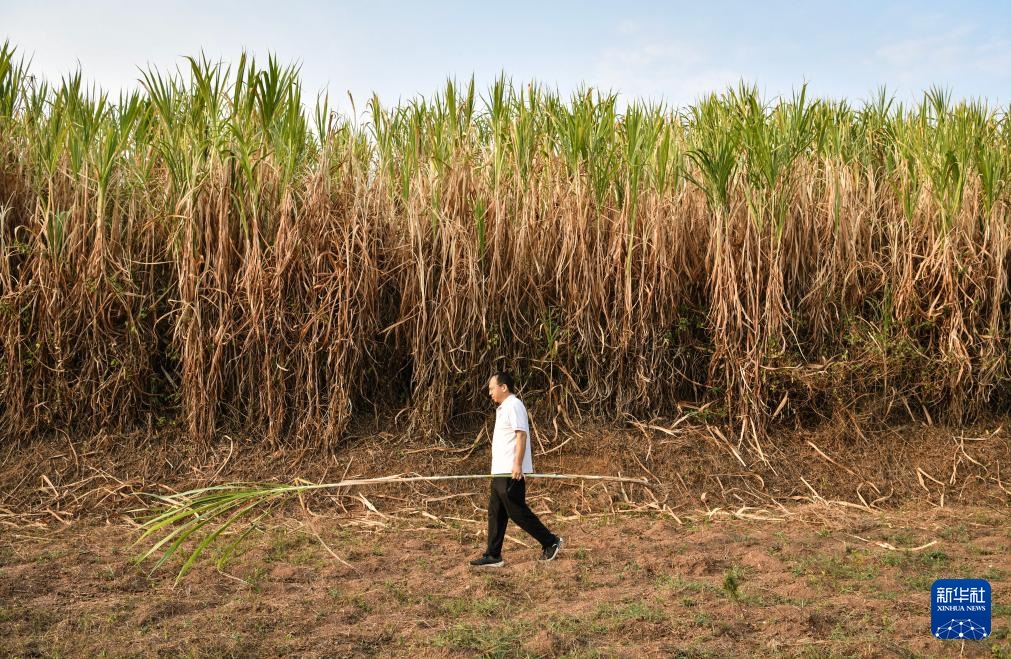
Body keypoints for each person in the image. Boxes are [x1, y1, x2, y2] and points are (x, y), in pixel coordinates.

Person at [470, 371, 563, 567]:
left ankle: (551, 541)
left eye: (491, 388)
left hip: (510, 472)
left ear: (504, 387)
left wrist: (517, 464)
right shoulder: (504, 408)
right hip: (500, 471)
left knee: (517, 512)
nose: (490, 393)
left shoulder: (514, 405)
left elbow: (521, 435)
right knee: (496, 512)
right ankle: (493, 555)